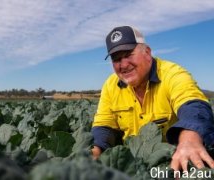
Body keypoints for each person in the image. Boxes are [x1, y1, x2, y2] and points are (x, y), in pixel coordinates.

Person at [91, 25, 214, 172]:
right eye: (116, 59)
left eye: (129, 54)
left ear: (147, 52)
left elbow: (193, 104)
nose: (123, 64)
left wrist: (189, 139)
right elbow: (105, 125)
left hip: (175, 163)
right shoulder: (110, 85)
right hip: (132, 166)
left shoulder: (172, 74)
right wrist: (95, 152)